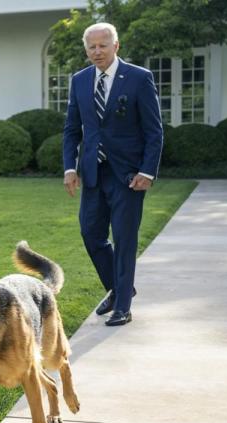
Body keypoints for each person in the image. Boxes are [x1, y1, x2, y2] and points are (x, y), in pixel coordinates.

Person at [62, 22, 163, 326]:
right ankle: (120, 289)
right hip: (93, 173)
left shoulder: (138, 78)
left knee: (124, 239)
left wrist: (147, 171)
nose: (96, 51)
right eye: (91, 47)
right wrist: (70, 167)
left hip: (128, 176)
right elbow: (71, 129)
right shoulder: (79, 80)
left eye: (102, 45)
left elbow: (154, 131)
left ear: (116, 46)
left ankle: (122, 306)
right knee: (91, 235)